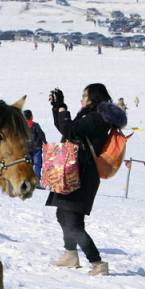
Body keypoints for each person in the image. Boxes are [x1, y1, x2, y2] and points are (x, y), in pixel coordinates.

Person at [47, 83, 127, 275]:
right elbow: (65, 129)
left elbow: (69, 128)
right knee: (63, 215)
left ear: (94, 97)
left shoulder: (98, 118)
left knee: (73, 221)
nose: (81, 99)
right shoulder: (89, 115)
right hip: (73, 170)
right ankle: (70, 254)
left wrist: (62, 108)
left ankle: (98, 263)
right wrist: (57, 106)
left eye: (84, 95)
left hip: (83, 173)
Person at [24, 109, 47, 182]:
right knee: (37, 164)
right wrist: (45, 142)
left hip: (27, 148)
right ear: (31, 117)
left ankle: (28, 179)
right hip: (36, 148)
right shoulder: (35, 125)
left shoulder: (22, 126)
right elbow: (41, 134)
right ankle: (36, 181)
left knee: (29, 164)